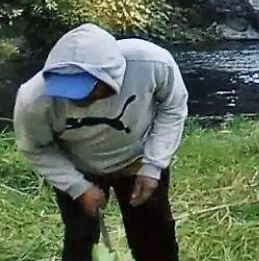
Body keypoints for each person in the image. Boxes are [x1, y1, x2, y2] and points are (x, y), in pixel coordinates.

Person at [13, 23, 188, 261]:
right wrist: (77, 186)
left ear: (111, 76)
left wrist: (154, 165)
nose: (74, 98)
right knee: (81, 240)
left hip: (137, 159)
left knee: (155, 237)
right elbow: (35, 148)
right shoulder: (34, 99)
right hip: (79, 166)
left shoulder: (152, 63)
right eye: (66, 89)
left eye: (84, 89)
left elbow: (173, 106)